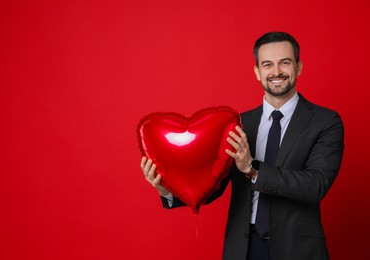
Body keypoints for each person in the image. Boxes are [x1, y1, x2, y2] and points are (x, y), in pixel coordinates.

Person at [140, 31, 344, 260]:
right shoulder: (239, 124)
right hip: (243, 249)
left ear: (299, 67)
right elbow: (214, 185)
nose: (276, 72)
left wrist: (252, 168)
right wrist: (167, 190)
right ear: (257, 72)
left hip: (297, 249)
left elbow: (315, 185)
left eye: (284, 63)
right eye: (267, 65)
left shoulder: (325, 122)